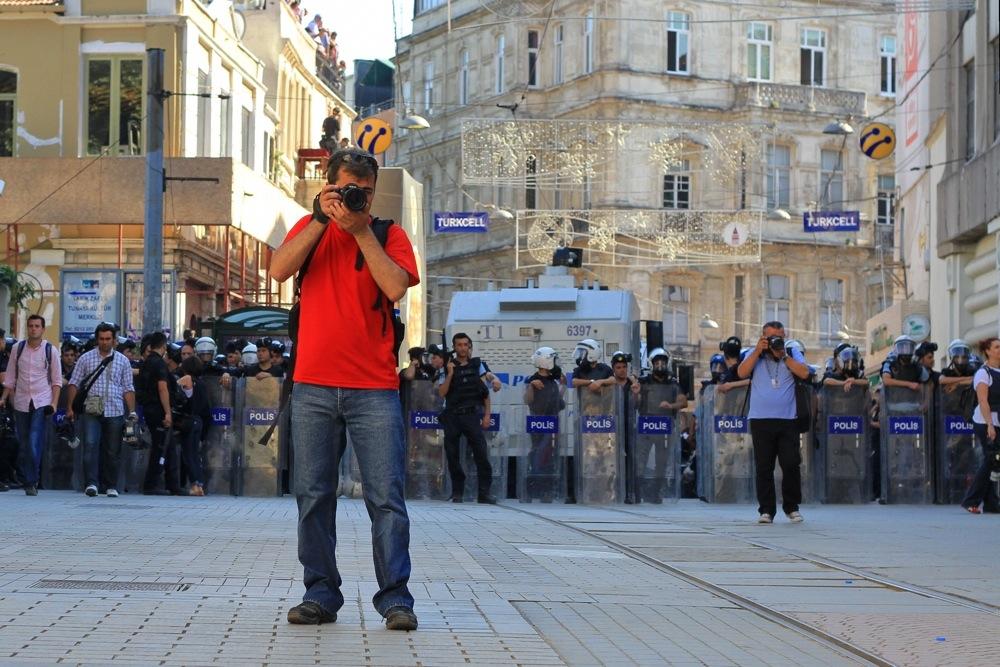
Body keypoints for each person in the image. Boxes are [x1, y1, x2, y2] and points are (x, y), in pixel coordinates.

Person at [270, 147, 419, 630]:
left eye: (366, 192)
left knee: (386, 498)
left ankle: (395, 598)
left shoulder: (386, 233)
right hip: (312, 383)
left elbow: (395, 287)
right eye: (347, 189)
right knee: (312, 494)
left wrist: (359, 232)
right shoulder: (308, 229)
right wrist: (320, 217)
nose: (357, 199)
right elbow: (278, 269)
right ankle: (320, 593)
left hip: (373, 387)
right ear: (328, 185)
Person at [737, 321, 811, 524]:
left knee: (791, 464)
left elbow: (805, 373)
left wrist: (783, 355)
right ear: (763, 337)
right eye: (770, 338)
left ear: (784, 335)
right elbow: (742, 373)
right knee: (764, 466)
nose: (775, 341)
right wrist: (757, 351)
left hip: (788, 419)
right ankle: (766, 510)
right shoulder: (754, 353)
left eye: (779, 336)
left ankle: (792, 507)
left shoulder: (792, 350)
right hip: (761, 419)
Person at [66, 322, 137, 498]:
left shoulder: (122, 361)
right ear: (97, 339)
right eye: (101, 339)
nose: (104, 342)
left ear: (114, 340)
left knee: (113, 450)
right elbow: (74, 383)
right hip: (91, 409)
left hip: (115, 410)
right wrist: (70, 407)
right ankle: (91, 483)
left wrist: (133, 411)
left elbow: (128, 387)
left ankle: (111, 485)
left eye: (108, 339)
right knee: (90, 446)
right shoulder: (85, 358)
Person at [0, 315, 62, 496]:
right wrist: (4, 397)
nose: (33, 329)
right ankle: (29, 477)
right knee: (24, 442)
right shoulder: (17, 350)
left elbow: (57, 381)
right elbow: (10, 378)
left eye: (37, 326)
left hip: (42, 401)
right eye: (31, 326)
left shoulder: (50, 350)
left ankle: (31, 480)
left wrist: (54, 403)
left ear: (43, 329)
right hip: (21, 401)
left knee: (34, 441)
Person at [437, 332, 496, 505]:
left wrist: (487, 415)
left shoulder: (477, 365)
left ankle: (484, 493)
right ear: (454, 348)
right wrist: (449, 374)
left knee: (481, 454)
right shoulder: (447, 367)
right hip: (452, 416)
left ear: (469, 346)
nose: (462, 348)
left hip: (471, 415)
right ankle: (457, 492)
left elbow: (484, 392)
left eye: (465, 344)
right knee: (452, 455)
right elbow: (442, 393)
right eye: (459, 345)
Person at [636, 348, 687, 503]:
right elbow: (636, 403)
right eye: (657, 362)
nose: (660, 365)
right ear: (651, 364)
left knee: (662, 461)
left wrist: (670, 406)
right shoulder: (644, 381)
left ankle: (657, 492)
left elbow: (683, 402)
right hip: (646, 425)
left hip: (664, 426)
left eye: (662, 362)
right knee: (641, 459)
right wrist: (636, 392)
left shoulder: (672, 382)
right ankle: (638, 491)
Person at [137, 332, 181, 496]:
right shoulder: (160, 364)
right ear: (163, 346)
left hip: (149, 410)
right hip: (159, 410)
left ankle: (171, 484)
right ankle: (152, 484)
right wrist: (168, 413)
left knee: (164, 447)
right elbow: (162, 388)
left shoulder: (147, 362)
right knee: (162, 446)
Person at [960, 337, 1000, 514]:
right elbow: (983, 401)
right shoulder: (983, 373)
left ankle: (991, 503)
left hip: (998, 420)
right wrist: (990, 425)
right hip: (985, 421)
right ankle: (971, 500)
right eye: (997, 347)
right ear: (988, 351)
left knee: (994, 462)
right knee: (991, 460)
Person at [523, 347, 566, 501]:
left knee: (549, 458)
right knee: (537, 455)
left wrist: (563, 387)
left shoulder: (553, 382)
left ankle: (546, 491)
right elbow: (528, 401)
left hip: (552, 424)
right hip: (538, 424)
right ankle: (533, 489)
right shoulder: (532, 380)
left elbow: (559, 404)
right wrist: (531, 386)